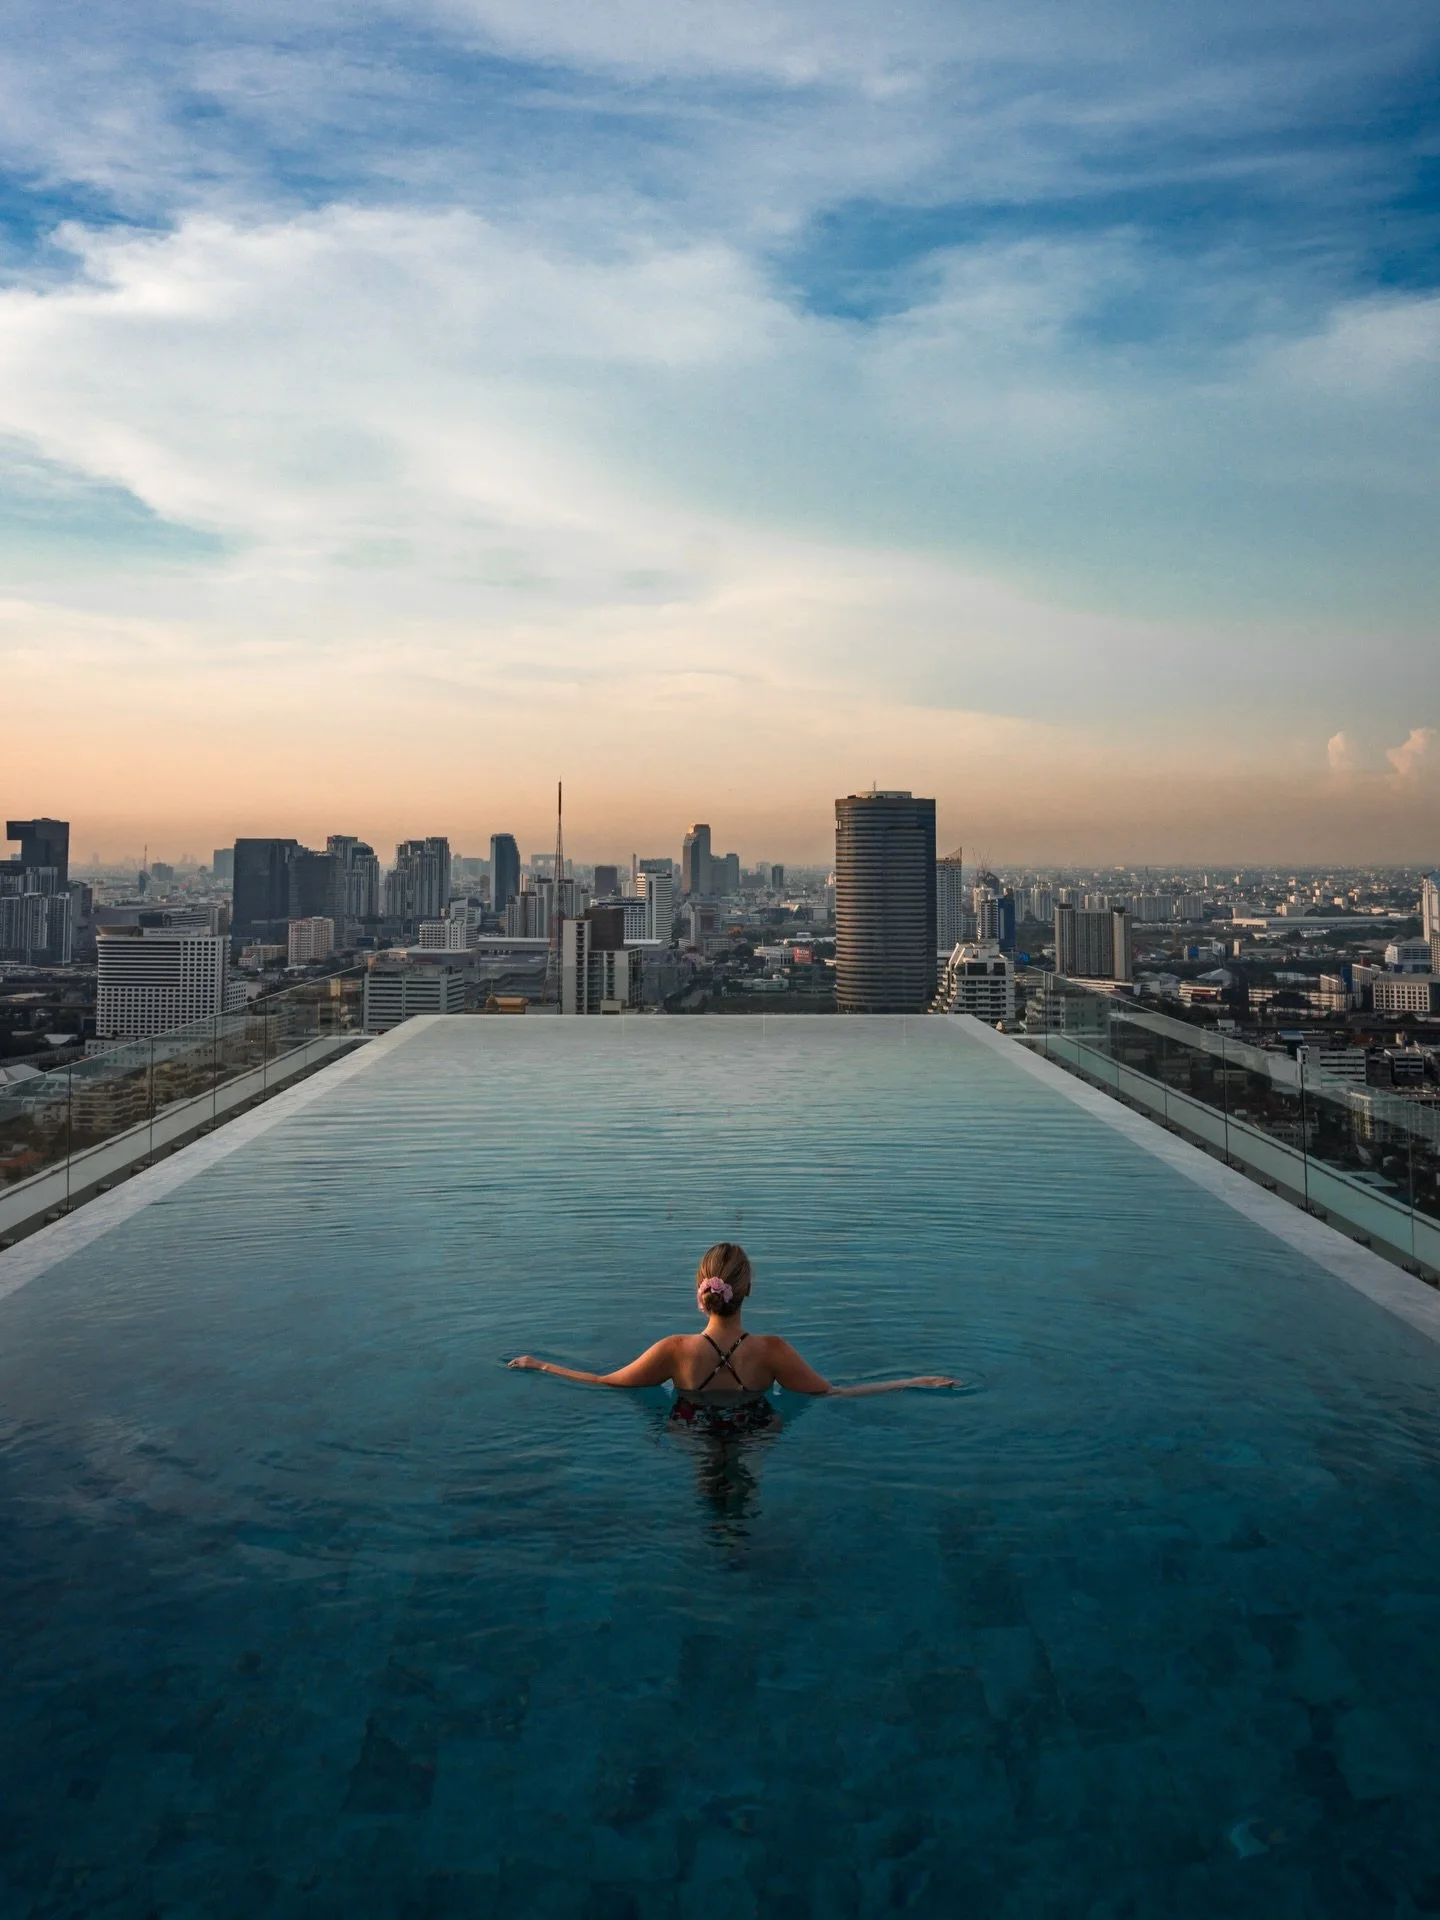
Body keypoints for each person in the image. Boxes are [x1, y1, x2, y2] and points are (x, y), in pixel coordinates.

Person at [508, 1241, 958, 1407]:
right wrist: (916, 1380)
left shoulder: (674, 1350)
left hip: (690, 1427)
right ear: (747, 1292)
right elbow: (836, 1394)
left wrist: (541, 1365)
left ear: (701, 1293)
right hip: (756, 1430)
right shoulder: (773, 1351)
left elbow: (605, 1383)